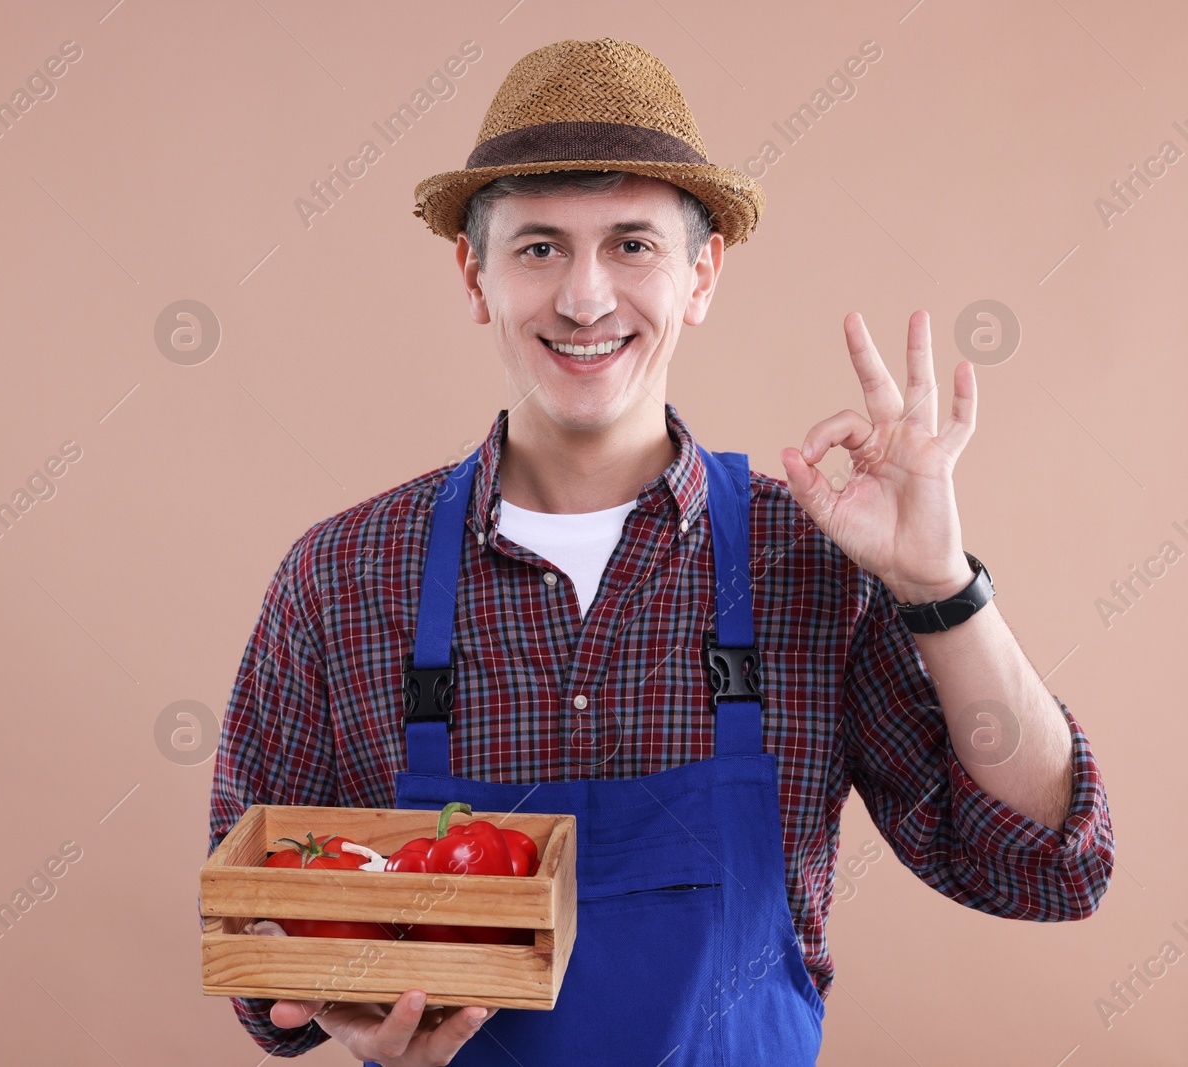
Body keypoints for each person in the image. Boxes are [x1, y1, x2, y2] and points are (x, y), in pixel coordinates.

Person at [206, 37, 1113, 1064]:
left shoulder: (803, 560)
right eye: (539, 247)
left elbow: (1044, 863)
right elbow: (260, 947)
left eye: (631, 245)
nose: (585, 298)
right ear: (475, 274)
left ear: (701, 272)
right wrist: (350, 1005)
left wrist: (937, 588)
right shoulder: (343, 577)